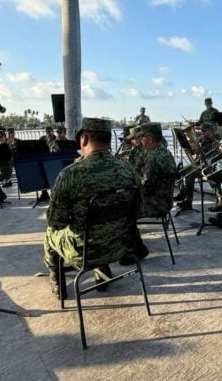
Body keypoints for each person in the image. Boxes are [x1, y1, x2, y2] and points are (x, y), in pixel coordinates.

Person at [43, 117, 140, 295]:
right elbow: (138, 211)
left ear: (85, 139)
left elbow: (56, 222)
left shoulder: (70, 174)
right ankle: (102, 269)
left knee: (50, 232)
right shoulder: (129, 171)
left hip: (84, 253)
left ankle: (57, 277)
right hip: (120, 247)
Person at [134, 122, 177, 258]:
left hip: (156, 204)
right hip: (165, 201)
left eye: (142, 137)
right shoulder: (165, 152)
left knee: (123, 210)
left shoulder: (153, 158)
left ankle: (137, 248)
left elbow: (145, 187)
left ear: (150, 139)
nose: (141, 140)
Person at [176, 122, 219, 210]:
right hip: (198, 165)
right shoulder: (201, 140)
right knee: (180, 171)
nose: (203, 133)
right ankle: (183, 194)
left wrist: (199, 150)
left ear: (211, 131)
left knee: (189, 175)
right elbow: (193, 152)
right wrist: (189, 147)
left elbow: (210, 158)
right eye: (202, 131)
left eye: (205, 131)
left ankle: (188, 201)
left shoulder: (215, 143)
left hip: (207, 168)